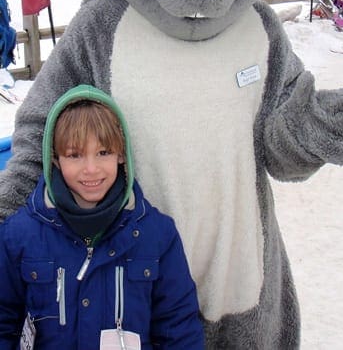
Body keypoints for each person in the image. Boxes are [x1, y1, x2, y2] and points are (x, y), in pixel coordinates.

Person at [0, 85, 204, 348]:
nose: (91, 169)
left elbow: (179, 330)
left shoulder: (159, 235)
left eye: (103, 152)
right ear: (55, 159)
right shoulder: (18, 235)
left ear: (121, 154)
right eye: (75, 155)